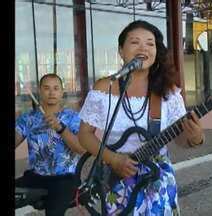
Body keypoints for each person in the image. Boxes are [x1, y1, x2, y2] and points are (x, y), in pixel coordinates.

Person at [78, 20, 205, 215]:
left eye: (150, 43)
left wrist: (195, 138)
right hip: (116, 177)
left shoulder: (167, 92)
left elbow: (180, 139)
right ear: (121, 50)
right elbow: (85, 135)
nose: (143, 48)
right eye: (135, 42)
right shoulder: (105, 88)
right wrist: (113, 159)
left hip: (157, 181)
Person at [15, 74, 85, 216]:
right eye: (46, 88)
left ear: (61, 92)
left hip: (65, 179)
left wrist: (60, 128)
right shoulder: (28, 118)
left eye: (55, 88)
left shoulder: (73, 117)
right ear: (40, 92)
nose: (51, 92)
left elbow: (80, 148)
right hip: (35, 176)